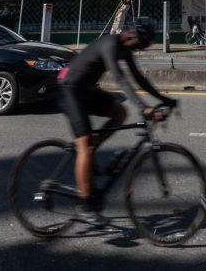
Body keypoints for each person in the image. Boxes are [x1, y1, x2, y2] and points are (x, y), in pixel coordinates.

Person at [58, 18, 177, 227]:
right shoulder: (110, 44)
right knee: (84, 147)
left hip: (86, 90)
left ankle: (92, 148)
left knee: (120, 113)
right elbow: (121, 79)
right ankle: (86, 208)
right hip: (70, 90)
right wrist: (144, 108)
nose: (137, 48)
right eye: (139, 43)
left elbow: (139, 79)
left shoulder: (125, 49)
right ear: (133, 35)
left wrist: (164, 99)